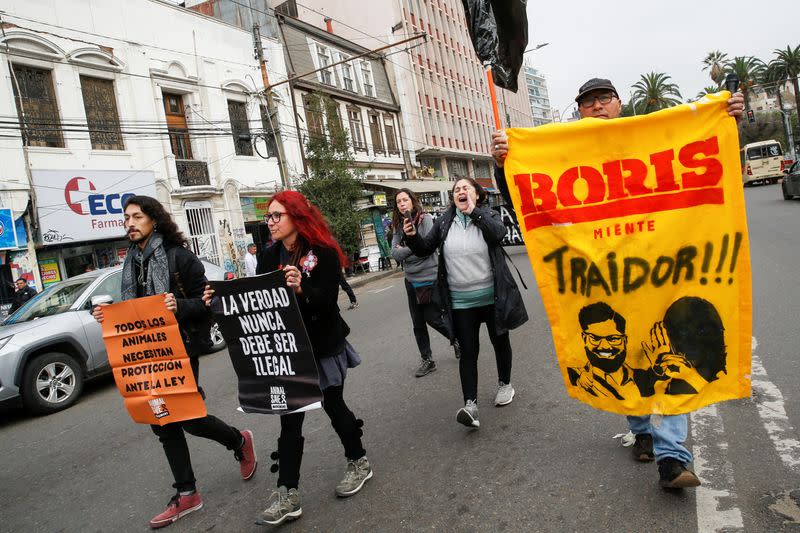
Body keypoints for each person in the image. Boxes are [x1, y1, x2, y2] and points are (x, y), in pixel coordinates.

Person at [491, 78, 745, 489]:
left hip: (658, 277)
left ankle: (672, 459)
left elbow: (707, 155)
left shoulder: (650, 138)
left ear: (619, 103)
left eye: (603, 99)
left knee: (667, 358)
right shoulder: (565, 153)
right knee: (627, 359)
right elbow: (529, 199)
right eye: (587, 102)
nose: (596, 106)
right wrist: (505, 166)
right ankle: (641, 427)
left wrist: (727, 119)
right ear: (579, 111)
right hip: (605, 282)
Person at [92, 195, 257, 529]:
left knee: (187, 417)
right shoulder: (131, 263)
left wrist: (179, 306)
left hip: (179, 350)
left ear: (154, 219)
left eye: (137, 217)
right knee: (161, 419)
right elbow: (133, 310)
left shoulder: (179, 258)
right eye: (126, 218)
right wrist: (107, 317)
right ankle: (186, 493)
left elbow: (209, 303)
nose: (130, 224)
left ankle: (239, 441)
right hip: (144, 354)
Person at [241, 190, 372, 525]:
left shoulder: (323, 253)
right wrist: (221, 300)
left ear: (296, 217)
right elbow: (258, 300)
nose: (269, 223)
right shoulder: (268, 257)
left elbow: (327, 301)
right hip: (289, 352)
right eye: (267, 217)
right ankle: (288, 493)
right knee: (290, 420)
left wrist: (301, 289)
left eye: (276, 216)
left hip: (323, 344)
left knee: (333, 404)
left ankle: (359, 461)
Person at [403, 177, 528, 428]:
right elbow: (426, 248)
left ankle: (505, 384)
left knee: (499, 341)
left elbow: (499, 234)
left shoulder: (488, 215)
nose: (460, 191)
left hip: (492, 296)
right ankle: (470, 405)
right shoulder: (444, 221)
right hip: (460, 302)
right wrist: (414, 237)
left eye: (465, 188)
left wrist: (473, 212)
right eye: (456, 189)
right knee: (468, 352)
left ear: (477, 195)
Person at [391, 188, 459, 378]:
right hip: (410, 279)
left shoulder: (425, 219)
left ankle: (456, 339)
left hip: (429, 277)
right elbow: (394, 253)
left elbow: (428, 249)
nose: (402, 204)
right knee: (417, 322)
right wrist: (414, 247)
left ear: (413, 201)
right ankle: (427, 360)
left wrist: (409, 246)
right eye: (398, 201)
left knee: (433, 318)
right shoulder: (398, 225)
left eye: (405, 200)